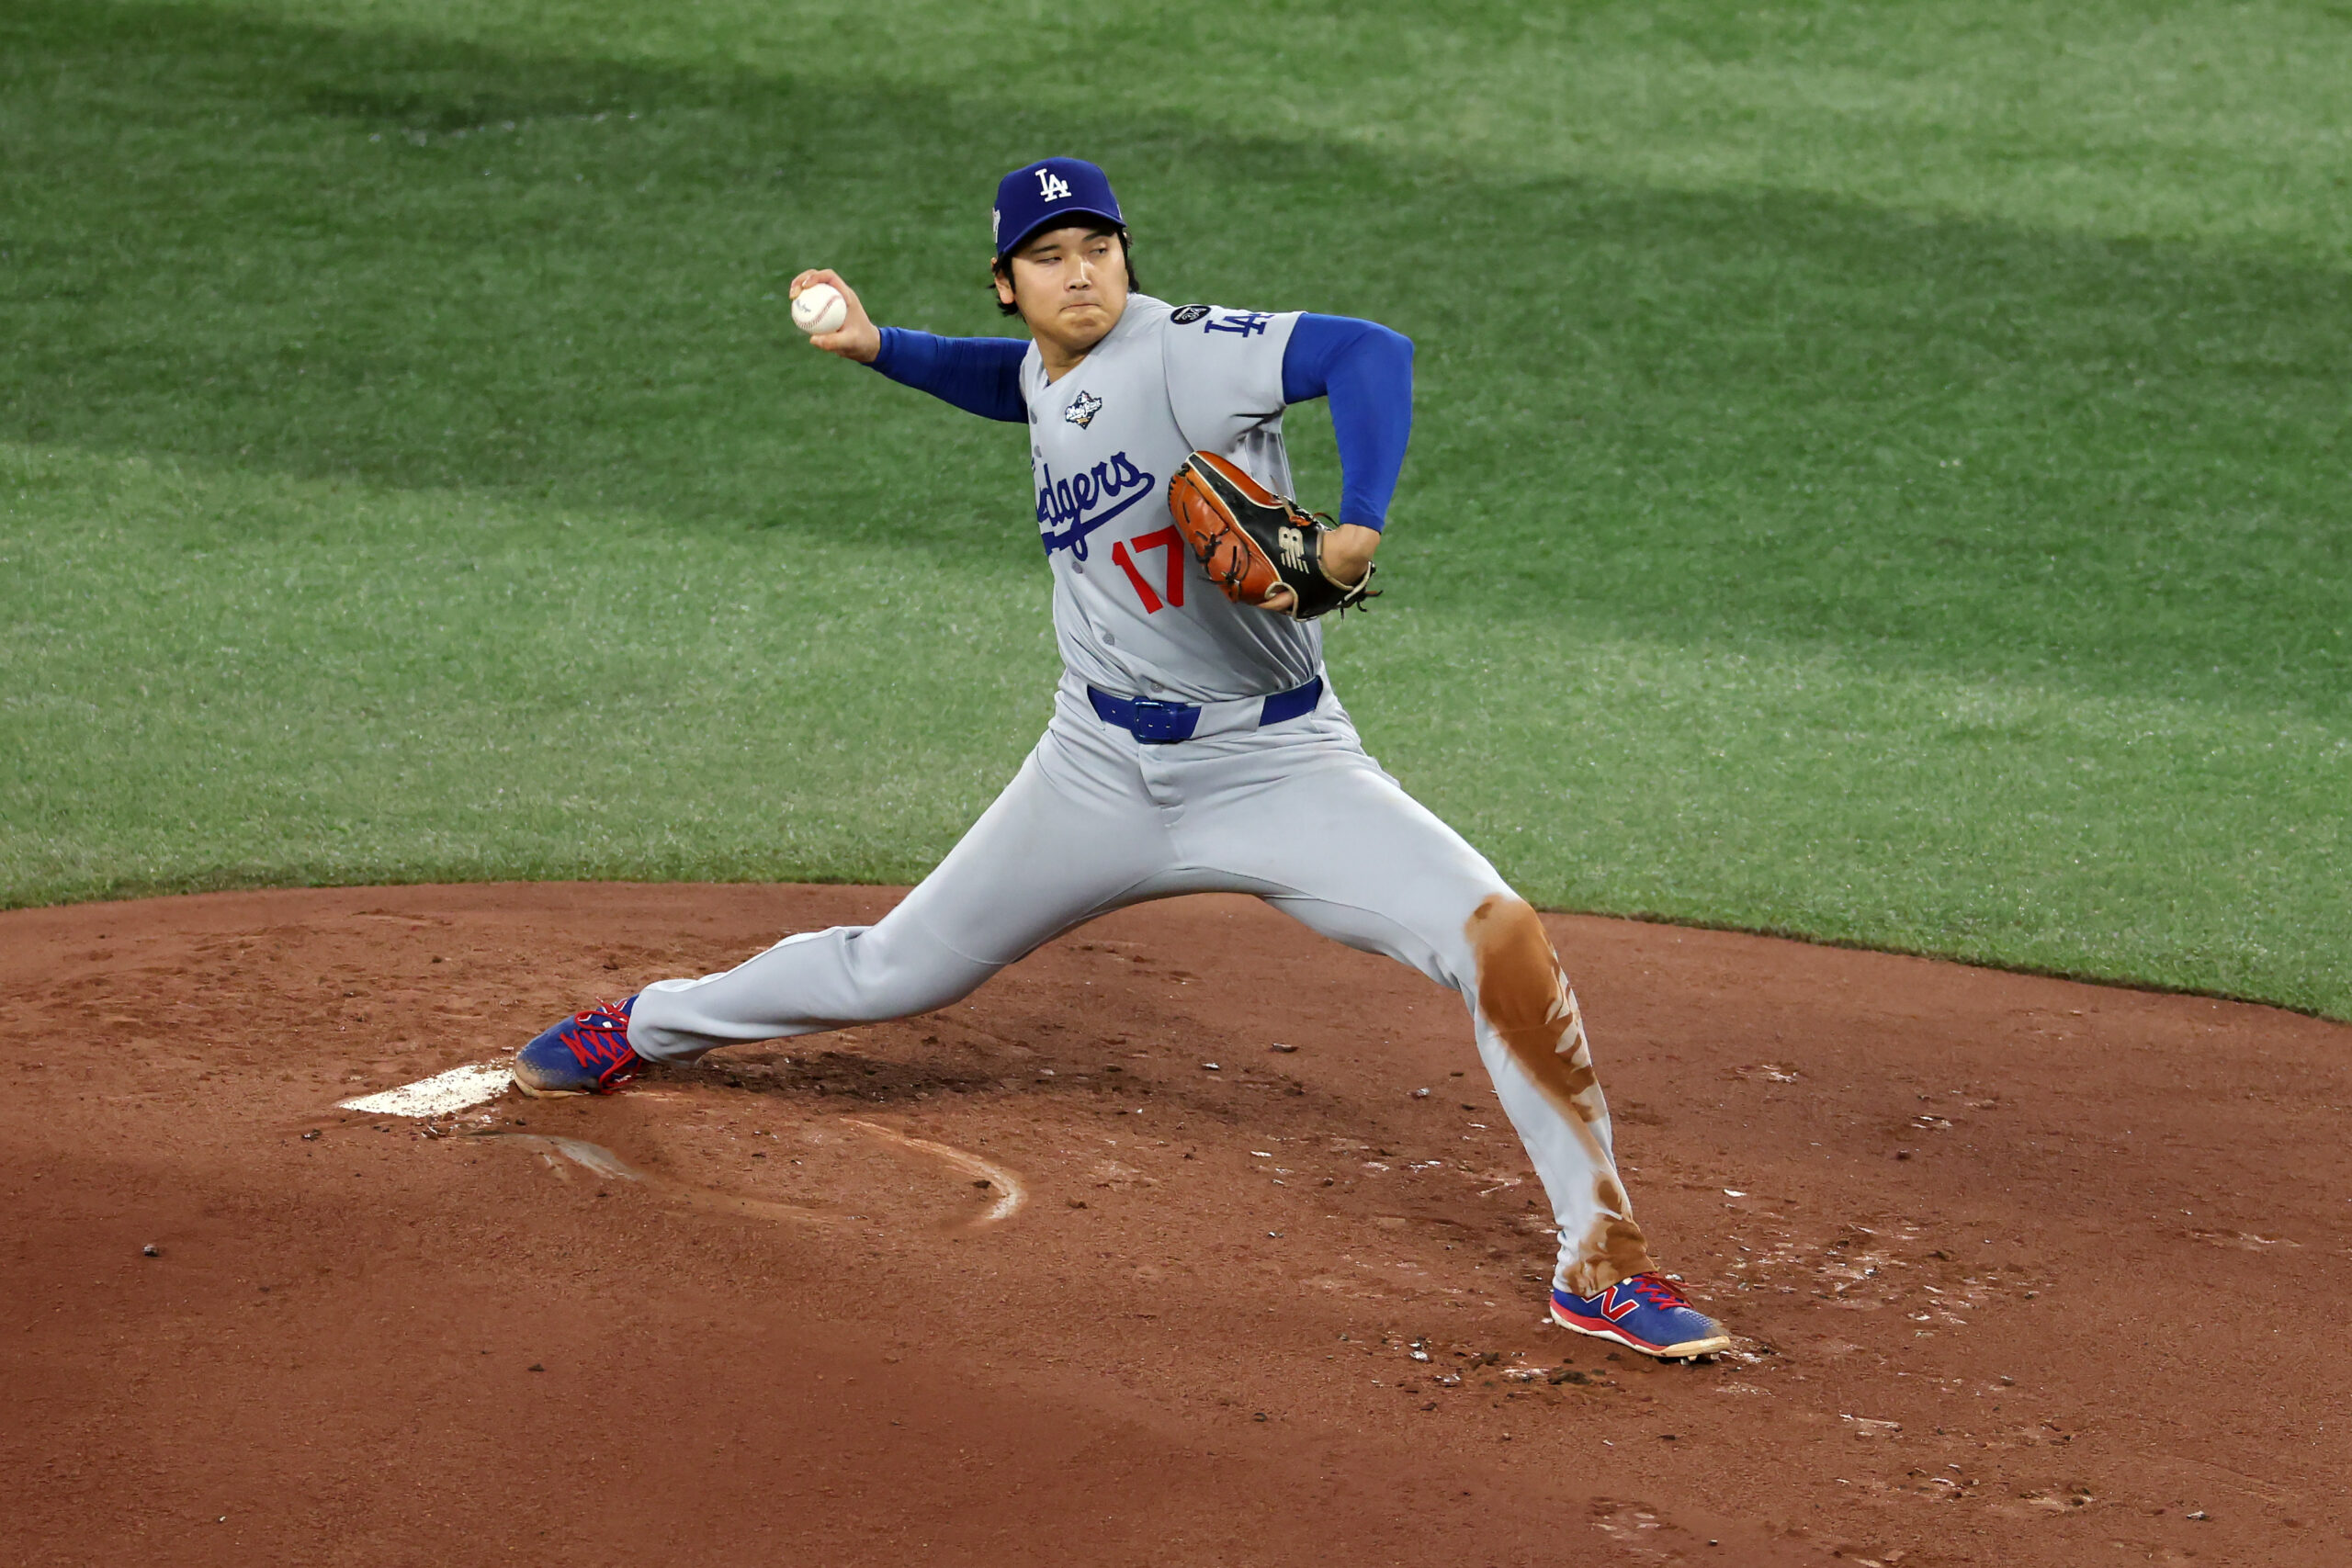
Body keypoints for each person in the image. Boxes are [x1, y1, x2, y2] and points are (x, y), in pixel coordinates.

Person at [514, 157, 1728, 1359]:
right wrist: (879, 346)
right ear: (1009, 284)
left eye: (1098, 248)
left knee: (1500, 939)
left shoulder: (1189, 348)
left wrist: (1359, 524)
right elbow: (1023, 389)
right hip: (1093, 765)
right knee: (892, 970)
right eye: (1049, 257)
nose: (1081, 274)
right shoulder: (1057, 367)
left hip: (1279, 767)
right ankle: (647, 1024)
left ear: (1128, 256)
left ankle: (1600, 1268)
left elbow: (1372, 352)